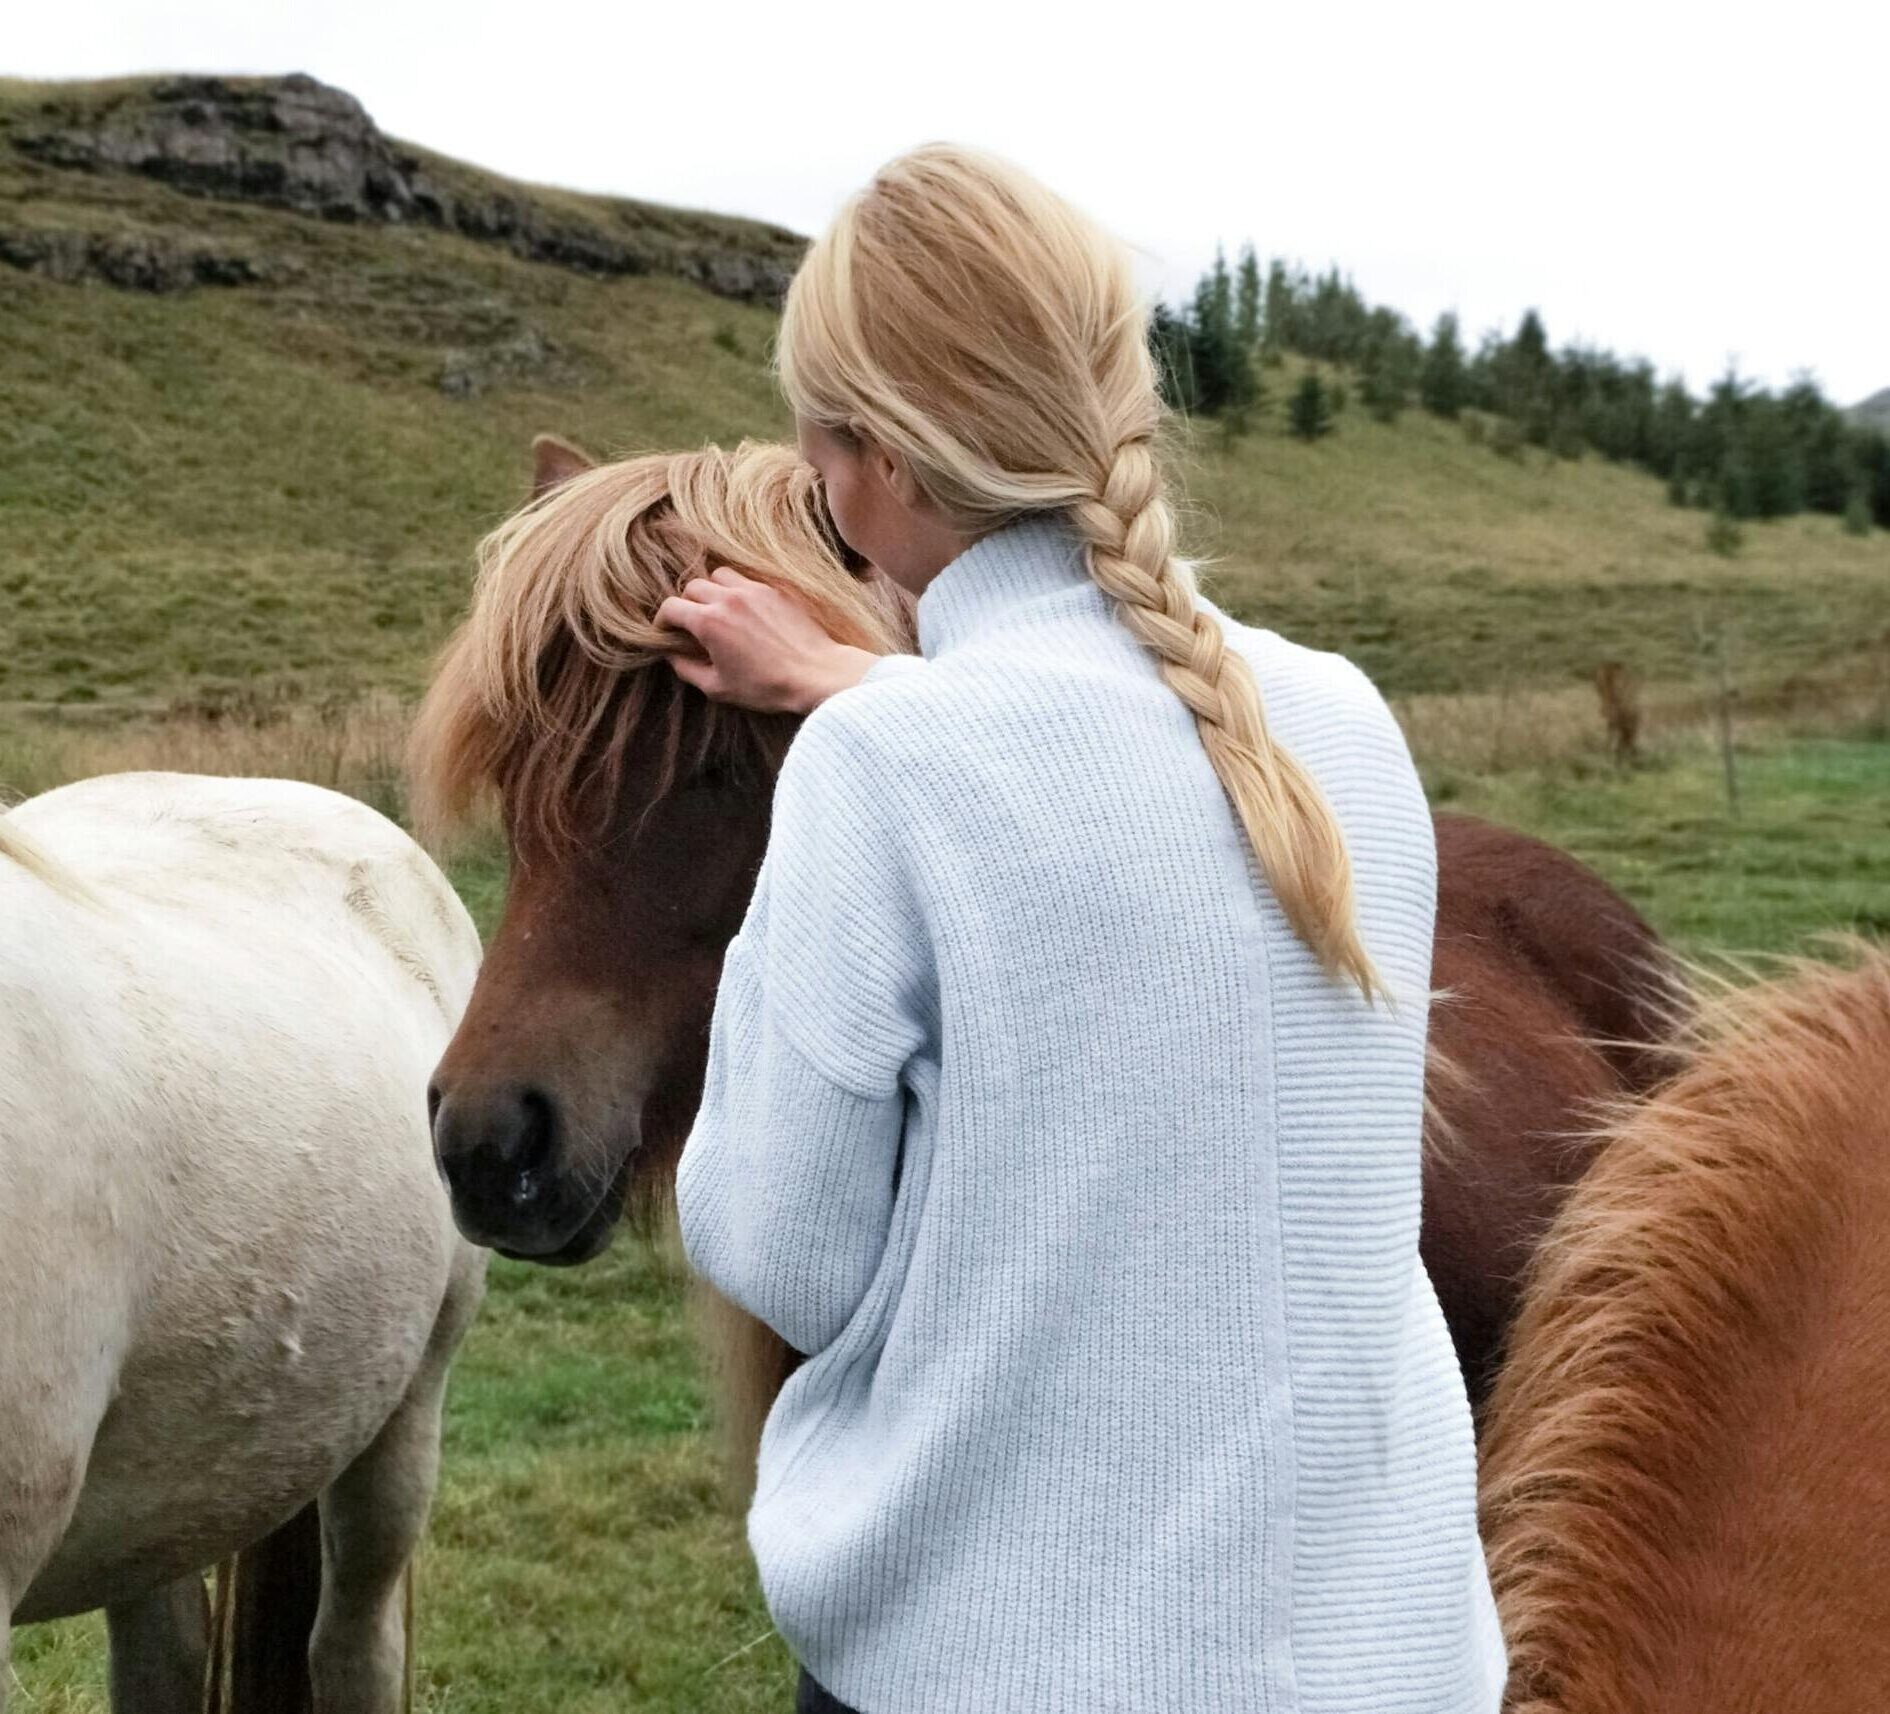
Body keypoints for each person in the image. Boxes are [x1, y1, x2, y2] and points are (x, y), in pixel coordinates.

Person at [664, 146, 1505, 1714]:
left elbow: (784, 1251)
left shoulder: (881, 769)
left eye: (817, 430)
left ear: (877, 465)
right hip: (1390, 1662)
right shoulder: (1341, 723)